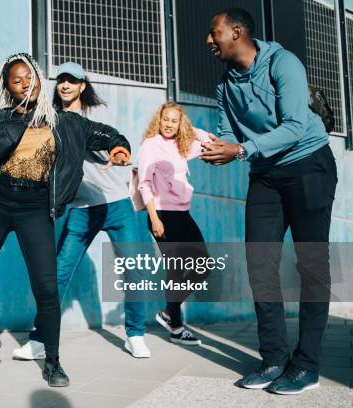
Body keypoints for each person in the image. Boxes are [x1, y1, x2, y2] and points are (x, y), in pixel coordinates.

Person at [0, 53, 131, 387]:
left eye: (30, 77)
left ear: (40, 80)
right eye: (17, 81)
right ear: (9, 88)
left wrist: (119, 149)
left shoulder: (67, 122)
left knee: (46, 289)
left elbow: (105, 134)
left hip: (35, 209)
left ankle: (53, 361)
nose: (26, 84)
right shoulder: (0, 119)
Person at [203, 8, 337, 394]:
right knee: (259, 263)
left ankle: (306, 366)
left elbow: (295, 126)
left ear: (237, 32)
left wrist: (241, 150)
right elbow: (226, 130)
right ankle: (274, 359)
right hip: (265, 174)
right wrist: (213, 147)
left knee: (312, 264)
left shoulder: (283, 63)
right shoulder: (225, 82)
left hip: (308, 165)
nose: (209, 41)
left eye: (215, 33)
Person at [11, 62, 151, 360]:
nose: (65, 86)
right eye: (61, 80)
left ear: (82, 86)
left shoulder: (97, 114)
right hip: (80, 208)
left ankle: (136, 334)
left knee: (134, 270)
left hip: (116, 204)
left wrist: (119, 151)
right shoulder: (50, 119)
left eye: (72, 81)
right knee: (58, 274)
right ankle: (40, 339)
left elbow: (114, 140)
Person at [136, 101, 211, 346]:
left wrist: (191, 130)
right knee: (177, 270)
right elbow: (144, 183)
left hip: (182, 214)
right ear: (159, 120)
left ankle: (169, 313)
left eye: (174, 120)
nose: (169, 124)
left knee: (203, 266)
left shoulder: (180, 146)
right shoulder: (150, 145)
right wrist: (155, 218)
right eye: (165, 119)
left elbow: (208, 141)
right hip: (162, 215)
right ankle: (177, 328)